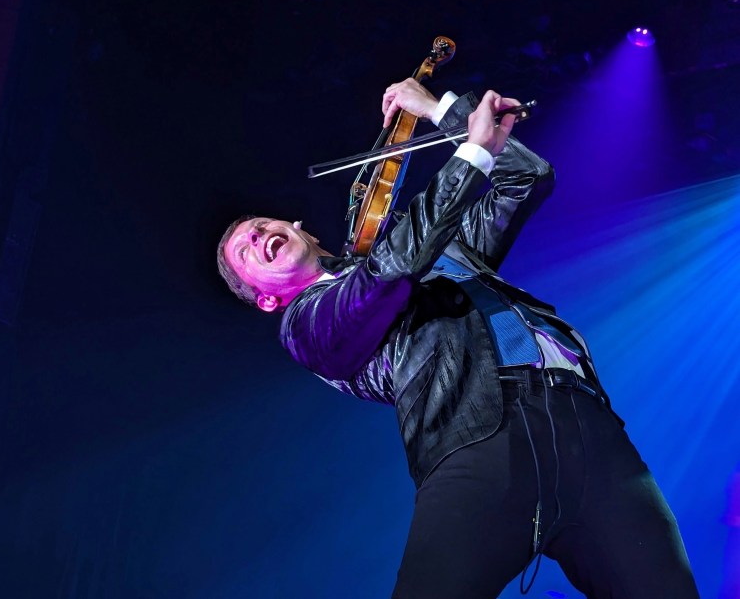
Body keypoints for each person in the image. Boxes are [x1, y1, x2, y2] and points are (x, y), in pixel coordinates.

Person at [217, 79, 700, 598]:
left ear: (302, 228)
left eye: (260, 224)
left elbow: (527, 178)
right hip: (478, 439)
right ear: (265, 300)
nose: (256, 236)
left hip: (588, 427)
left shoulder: (440, 255)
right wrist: (471, 153)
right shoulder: (306, 325)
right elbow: (388, 271)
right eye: (244, 250)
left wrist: (438, 109)